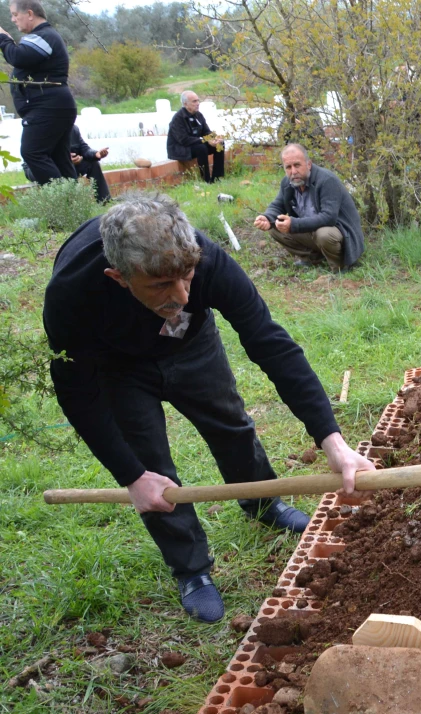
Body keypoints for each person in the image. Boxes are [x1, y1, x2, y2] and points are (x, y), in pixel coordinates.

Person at [44, 193, 376, 623]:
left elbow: (269, 341)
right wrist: (131, 477)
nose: (182, 294)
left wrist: (331, 439)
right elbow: (77, 393)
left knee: (231, 423)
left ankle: (263, 503)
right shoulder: (72, 292)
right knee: (151, 466)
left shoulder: (207, 260)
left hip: (191, 344)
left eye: (186, 276)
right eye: (162, 285)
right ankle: (191, 569)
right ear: (118, 277)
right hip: (116, 365)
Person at [253, 143, 365, 271]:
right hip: (312, 229)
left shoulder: (327, 180)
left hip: (342, 233)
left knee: (324, 234)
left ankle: (341, 265)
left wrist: (294, 224)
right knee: (275, 226)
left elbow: (329, 218)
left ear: (309, 164)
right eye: (288, 167)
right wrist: (266, 217)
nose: (293, 171)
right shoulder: (287, 182)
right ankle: (313, 258)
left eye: (297, 165)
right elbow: (277, 205)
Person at [0, 0, 77, 184]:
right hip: (55, 106)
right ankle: (74, 207)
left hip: (47, 107)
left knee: (32, 152)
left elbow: (17, 57)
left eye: (15, 15)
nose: (13, 19)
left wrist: (3, 37)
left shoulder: (43, 36)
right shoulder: (45, 36)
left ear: (29, 14)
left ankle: (61, 202)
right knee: (60, 159)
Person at [168, 91, 224, 184]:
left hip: (195, 144)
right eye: (194, 101)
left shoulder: (198, 115)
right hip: (180, 148)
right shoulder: (178, 118)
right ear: (185, 104)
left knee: (219, 145)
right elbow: (184, 140)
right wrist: (205, 140)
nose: (198, 104)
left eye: (198, 101)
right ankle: (206, 180)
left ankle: (217, 177)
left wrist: (215, 138)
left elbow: (206, 131)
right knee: (201, 148)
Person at [69, 124, 110, 203]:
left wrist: (96, 154)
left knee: (93, 164)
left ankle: (104, 200)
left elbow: (85, 149)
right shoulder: (47, 128)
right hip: (56, 168)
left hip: (74, 165)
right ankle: (72, 203)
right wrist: (66, 159)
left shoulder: (74, 129)